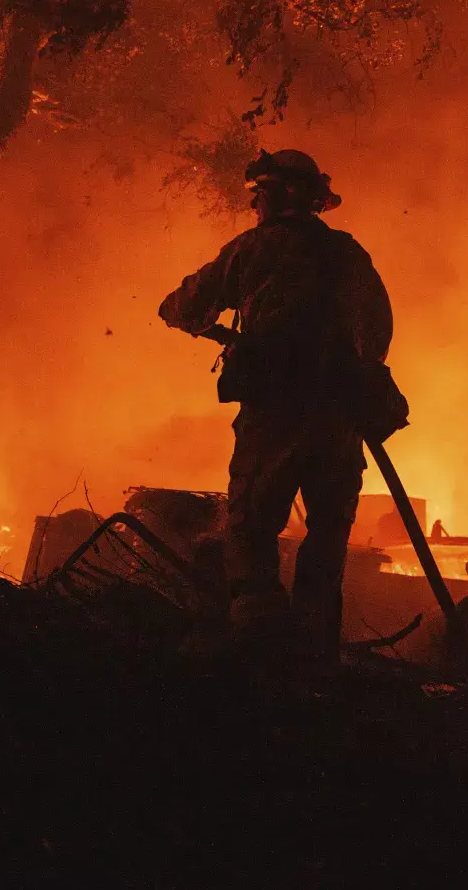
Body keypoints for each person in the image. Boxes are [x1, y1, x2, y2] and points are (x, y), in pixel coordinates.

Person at [158, 149, 392, 663]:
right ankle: (314, 653)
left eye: (259, 195)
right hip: (340, 419)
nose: (256, 205)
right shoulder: (349, 254)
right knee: (329, 534)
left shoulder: (253, 249)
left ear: (273, 194)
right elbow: (378, 331)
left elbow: (185, 305)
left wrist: (190, 318)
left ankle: (259, 653)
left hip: (276, 413)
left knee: (252, 523)